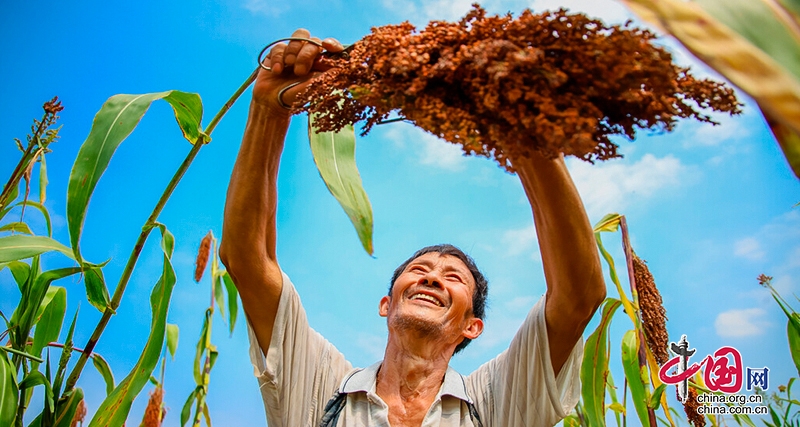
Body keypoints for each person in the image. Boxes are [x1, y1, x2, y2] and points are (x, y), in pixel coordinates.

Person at [219, 29, 606, 427]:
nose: (432, 279)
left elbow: (578, 296)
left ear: (472, 327)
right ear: (386, 304)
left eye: (452, 278)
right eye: (418, 271)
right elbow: (249, 261)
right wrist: (269, 109)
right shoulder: (322, 389)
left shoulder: (496, 402)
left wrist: (520, 126)